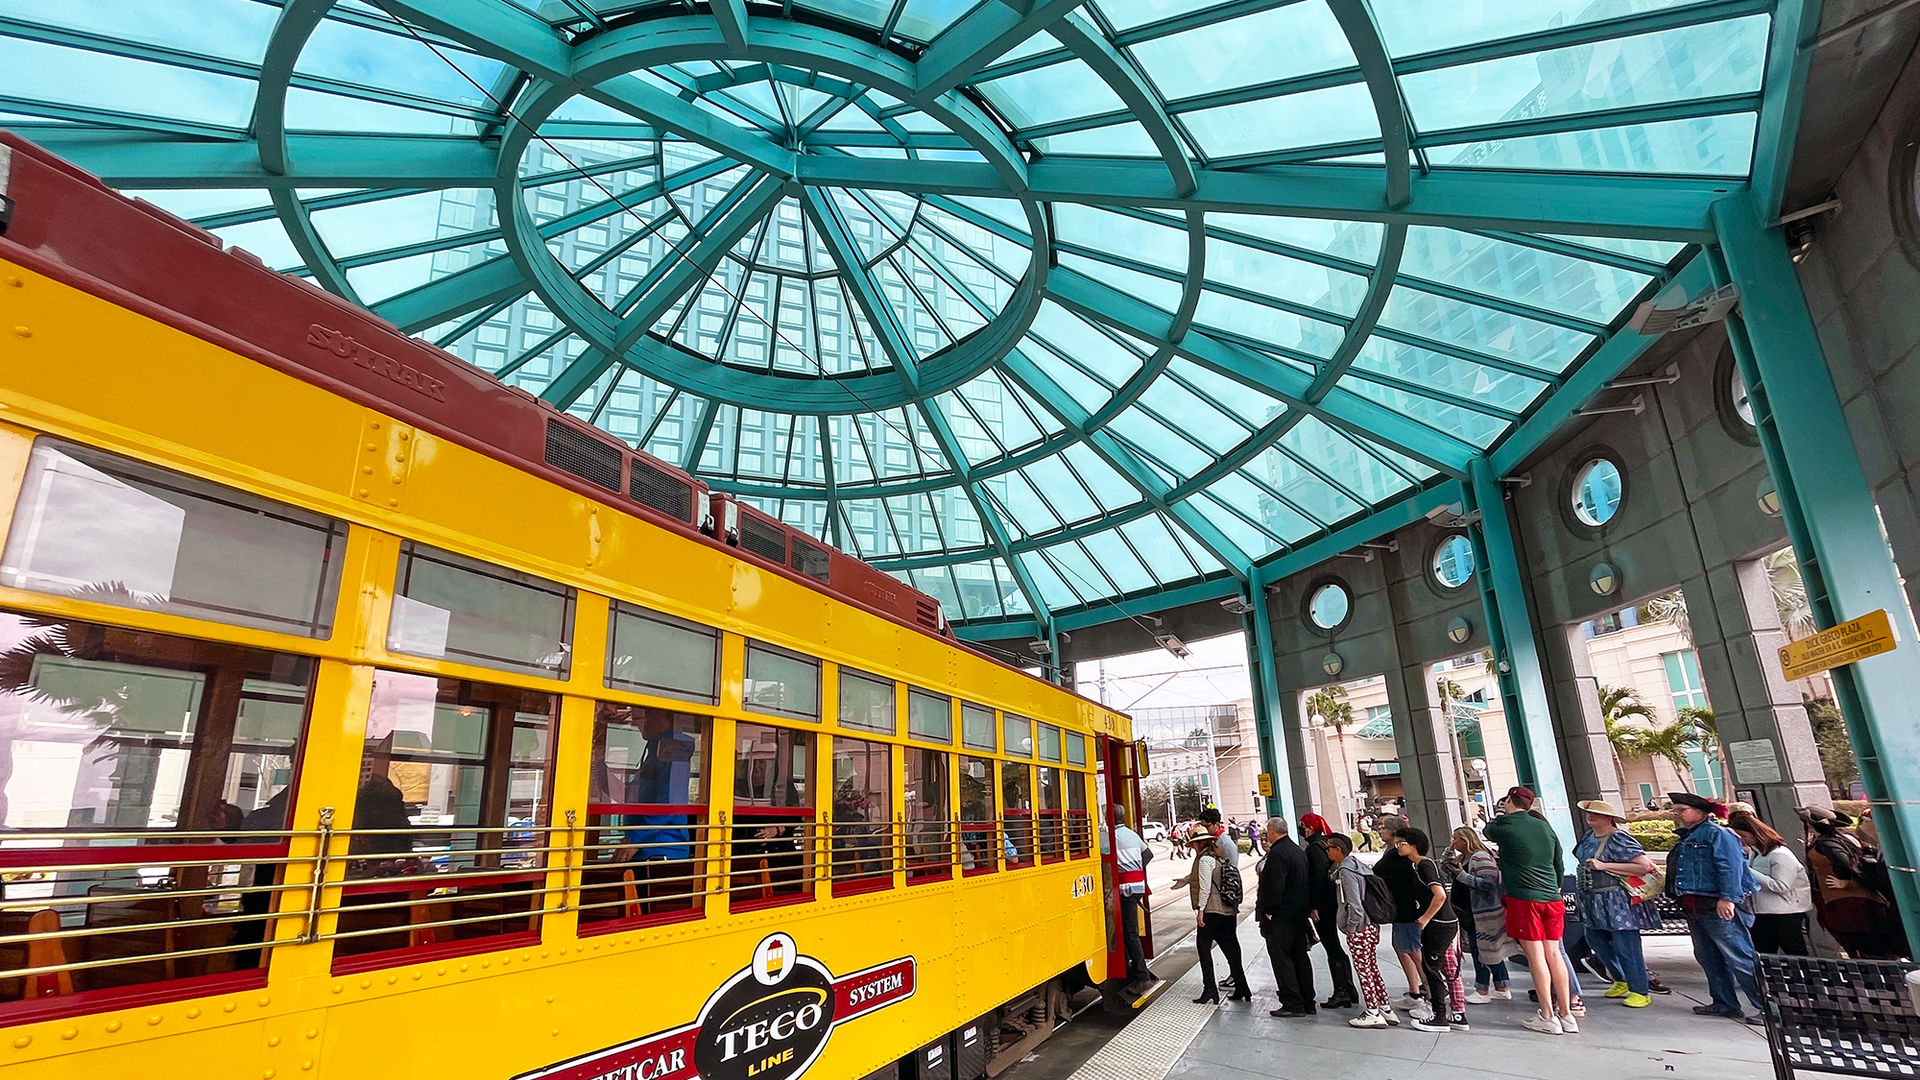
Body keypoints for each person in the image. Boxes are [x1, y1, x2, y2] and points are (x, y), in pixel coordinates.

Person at [1483, 785, 1575, 1036]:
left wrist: (1499, 815)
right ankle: (1566, 1014)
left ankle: (1547, 1015)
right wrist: (1555, 886)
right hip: (1552, 898)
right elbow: (1558, 862)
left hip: (1524, 898)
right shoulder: (1544, 827)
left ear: (1509, 801)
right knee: (1554, 954)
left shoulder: (1505, 824)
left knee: (1536, 957)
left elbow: (1487, 831)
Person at [1666, 791, 1764, 1023]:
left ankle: (1768, 1007)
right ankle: (1724, 1003)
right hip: (1696, 904)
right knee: (1708, 956)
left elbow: (1730, 867)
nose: (1676, 814)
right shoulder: (1689, 836)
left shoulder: (1718, 834)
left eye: (1681, 810)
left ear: (1699, 812)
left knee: (1739, 956)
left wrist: (1728, 898)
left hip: (1716, 903)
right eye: (1676, 810)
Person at [1572, 799, 1661, 1009]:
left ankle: (1640, 989)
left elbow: (1643, 866)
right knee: (1595, 939)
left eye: (1597, 813)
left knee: (1626, 944)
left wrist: (1604, 866)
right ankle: (1620, 978)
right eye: (1589, 812)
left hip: (1617, 899)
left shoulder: (1618, 838)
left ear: (1609, 818)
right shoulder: (1589, 836)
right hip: (1593, 898)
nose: (1591, 815)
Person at [1800, 805, 1907, 959]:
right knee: (1872, 947)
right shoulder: (1842, 839)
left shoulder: (1828, 843)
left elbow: (1845, 864)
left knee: (1869, 948)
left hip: (1848, 904)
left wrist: (1846, 882)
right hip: (1856, 901)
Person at [1396, 827, 1468, 1033]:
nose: (1398, 847)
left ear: (1414, 846)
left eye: (1402, 843)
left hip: (1439, 923)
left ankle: (1439, 1016)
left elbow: (1440, 895)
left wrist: (1425, 918)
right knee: (1447, 968)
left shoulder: (1425, 866)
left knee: (1432, 968)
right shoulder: (1421, 866)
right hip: (1444, 922)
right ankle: (1456, 1014)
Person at [1172, 821, 1250, 1004]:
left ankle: (1210, 990)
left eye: (1194, 844)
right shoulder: (1218, 856)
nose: (1193, 847)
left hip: (1212, 911)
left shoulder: (1205, 860)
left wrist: (1201, 910)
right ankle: (1242, 987)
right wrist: (1184, 881)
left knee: (1203, 948)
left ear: (1200, 843)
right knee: (1231, 949)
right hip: (1228, 910)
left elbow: (1205, 887)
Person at [1329, 833, 1398, 1028]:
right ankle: (1385, 1008)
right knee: (1372, 968)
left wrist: (1351, 927)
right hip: (1371, 925)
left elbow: (1354, 903)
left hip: (1359, 928)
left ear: (1338, 850)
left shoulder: (1346, 871)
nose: (1327, 852)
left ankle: (1372, 1012)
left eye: (1329, 848)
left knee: (1363, 971)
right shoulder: (1358, 866)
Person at [1726, 810, 1812, 956]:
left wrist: (1747, 871)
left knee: (1794, 951)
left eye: (1744, 836)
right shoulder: (1755, 853)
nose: (1742, 841)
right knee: (1763, 952)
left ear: (1755, 834)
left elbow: (1782, 886)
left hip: (1785, 913)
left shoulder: (1780, 854)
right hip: (1762, 911)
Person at [1256, 815, 1315, 1017]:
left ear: (1272, 831)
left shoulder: (1277, 854)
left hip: (1281, 917)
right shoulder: (1297, 850)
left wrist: (1269, 910)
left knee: (1282, 960)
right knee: (1300, 958)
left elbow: (1274, 886)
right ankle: (1308, 1001)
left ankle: (1292, 1003)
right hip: (1298, 915)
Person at [1447, 827, 1514, 1005]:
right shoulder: (1462, 858)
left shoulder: (1480, 857)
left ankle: (1482, 989)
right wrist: (1449, 852)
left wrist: (1463, 877)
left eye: (1456, 838)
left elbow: (1490, 883)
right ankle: (1501, 986)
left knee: (1481, 950)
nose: (1454, 841)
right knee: (1488, 949)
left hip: (1481, 912)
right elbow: (1445, 870)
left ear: (1465, 840)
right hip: (1468, 910)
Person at [1373, 815, 1430, 1017]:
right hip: (1399, 909)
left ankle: (1432, 996)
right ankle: (1415, 992)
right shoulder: (1393, 853)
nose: (1379, 830)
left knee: (1414, 950)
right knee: (1402, 947)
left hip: (1408, 910)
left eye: (1383, 827)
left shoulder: (1406, 858)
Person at [1302, 813, 1358, 1009]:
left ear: (1311, 827)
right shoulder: (1323, 844)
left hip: (1324, 905)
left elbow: (1319, 877)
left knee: (1331, 945)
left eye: (1304, 825)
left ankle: (1342, 991)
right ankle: (1348, 988)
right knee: (1334, 945)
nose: (1303, 829)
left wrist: (1315, 905)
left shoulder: (1315, 848)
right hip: (1331, 903)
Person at [1112, 806, 1157, 990]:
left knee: (1129, 932)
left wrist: (1125, 871)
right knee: (1129, 929)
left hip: (1125, 888)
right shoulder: (1131, 834)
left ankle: (1142, 976)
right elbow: (1148, 854)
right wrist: (1135, 869)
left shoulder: (1111, 837)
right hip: (1137, 885)